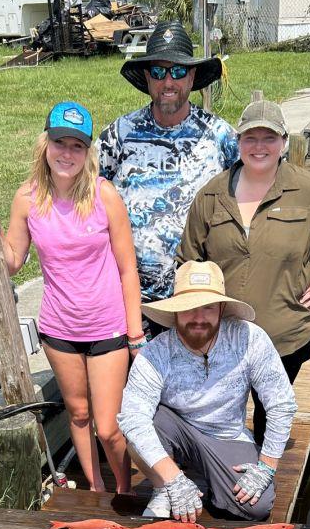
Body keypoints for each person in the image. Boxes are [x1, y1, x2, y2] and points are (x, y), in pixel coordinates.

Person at [0, 101, 142, 494]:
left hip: (107, 327)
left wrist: (135, 334)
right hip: (59, 329)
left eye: (77, 146)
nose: (67, 153)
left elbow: (128, 269)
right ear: (45, 143)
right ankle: (96, 489)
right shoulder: (27, 198)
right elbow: (13, 260)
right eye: (60, 143)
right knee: (78, 414)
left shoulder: (104, 195)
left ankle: (125, 490)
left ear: (87, 152)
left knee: (108, 427)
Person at [177, 99, 310, 443]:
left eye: (269, 138)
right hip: (223, 337)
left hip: (285, 335)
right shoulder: (211, 195)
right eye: (250, 137)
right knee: (220, 413)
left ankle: (266, 465)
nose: (259, 146)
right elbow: (188, 262)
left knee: (271, 412)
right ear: (238, 142)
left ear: (284, 142)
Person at [116, 260, 296, 523]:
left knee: (256, 508)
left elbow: (281, 403)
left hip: (227, 436)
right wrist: (173, 479)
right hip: (175, 430)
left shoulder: (249, 338)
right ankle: (164, 487)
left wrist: (266, 467)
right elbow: (132, 416)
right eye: (189, 308)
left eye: (208, 307)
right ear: (175, 310)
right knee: (140, 427)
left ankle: (205, 478)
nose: (198, 317)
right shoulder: (156, 351)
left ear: (221, 308)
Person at [97, 20, 238, 329]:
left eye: (178, 71)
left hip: (198, 303)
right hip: (133, 302)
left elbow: (260, 184)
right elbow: (81, 189)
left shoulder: (219, 136)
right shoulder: (120, 134)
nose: (168, 82)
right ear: (148, 78)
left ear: (193, 76)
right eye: (159, 72)